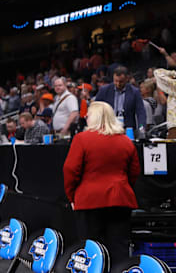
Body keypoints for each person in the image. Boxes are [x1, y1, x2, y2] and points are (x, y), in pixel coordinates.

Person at [63, 101, 140, 265]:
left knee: (90, 250)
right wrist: (124, 188)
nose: (86, 117)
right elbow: (134, 172)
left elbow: (70, 170)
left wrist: (72, 197)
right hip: (120, 199)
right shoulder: (126, 141)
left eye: (89, 115)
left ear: (95, 117)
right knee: (119, 248)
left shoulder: (82, 139)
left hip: (89, 201)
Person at [94, 66, 146, 131]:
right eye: (116, 81)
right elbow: (95, 109)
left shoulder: (134, 92)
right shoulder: (104, 90)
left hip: (127, 129)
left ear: (127, 79)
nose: (118, 84)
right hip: (108, 128)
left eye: (121, 81)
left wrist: (141, 128)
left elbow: (140, 112)